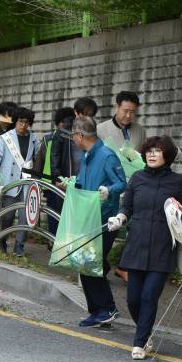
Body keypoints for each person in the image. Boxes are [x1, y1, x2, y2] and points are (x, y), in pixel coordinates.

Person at [107, 136, 182, 360]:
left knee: (149, 297)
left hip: (162, 248)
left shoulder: (176, 181)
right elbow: (127, 207)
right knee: (133, 299)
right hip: (136, 245)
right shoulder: (137, 178)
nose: (152, 154)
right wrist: (119, 219)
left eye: (158, 151)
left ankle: (140, 342)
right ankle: (145, 333)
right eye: (149, 151)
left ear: (168, 155)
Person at [72, 115, 126, 327]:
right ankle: (98, 311)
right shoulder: (87, 155)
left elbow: (122, 183)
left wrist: (108, 190)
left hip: (104, 219)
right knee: (87, 264)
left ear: (79, 135)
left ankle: (107, 309)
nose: (73, 140)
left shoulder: (106, 155)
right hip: (88, 217)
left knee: (90, 263)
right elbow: (83, 182)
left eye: (73, 136)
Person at [0, 107, 37, 256]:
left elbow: (38, 159)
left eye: (27, 123)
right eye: (21, 121)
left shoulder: (34, 139)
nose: (23, 125)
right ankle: (2, 241)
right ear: (15, 121)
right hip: (10, 182)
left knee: (25, 217)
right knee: (7, 216)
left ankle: (19, 248)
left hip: (27, 183)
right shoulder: (6, 138)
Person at [35, 107, 74, 234]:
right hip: (52, 182)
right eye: (64, 121)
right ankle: (53, 240)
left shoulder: (72, 138)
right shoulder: (49, 139)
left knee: (59, 214)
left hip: (64, 182)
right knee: (54, 214)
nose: (67, 124)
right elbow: (40, 160)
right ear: (58, 123)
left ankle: (57, 240)